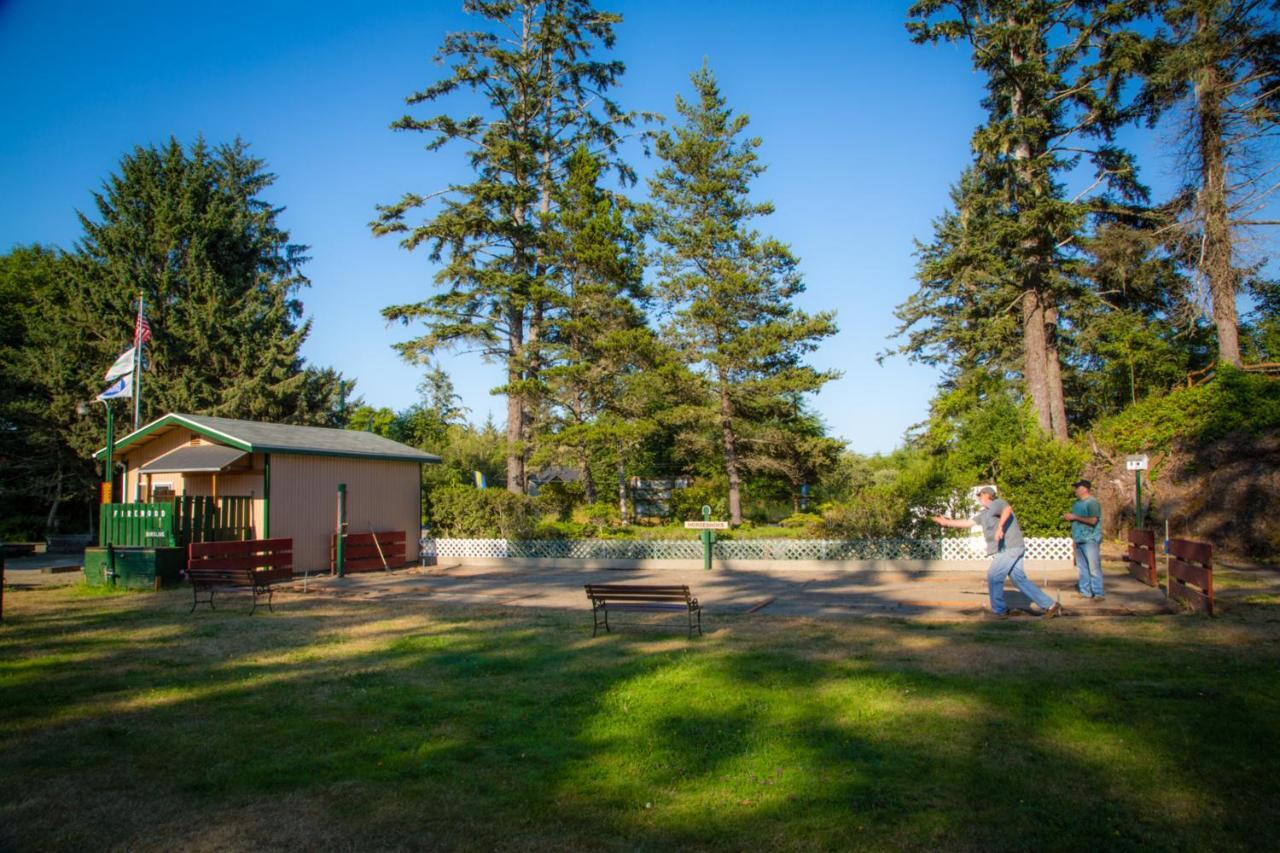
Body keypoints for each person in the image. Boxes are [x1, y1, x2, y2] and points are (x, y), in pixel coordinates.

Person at [933, 486, 1061, 619]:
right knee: (1019, 579)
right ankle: (1051, 605)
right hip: (1013, 548)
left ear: (988, 495)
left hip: (1009, 547)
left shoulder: (997, 503)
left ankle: (1000, 611)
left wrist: (1000, 527)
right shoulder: (984, 514)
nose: (979, 498)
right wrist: (946, 523)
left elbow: (1008, 510)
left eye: (980, 495)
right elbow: (967, 523)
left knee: (994, 576)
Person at [1062, 479, 1104, 600]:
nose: (1075, 490)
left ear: (1085, 489)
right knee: (1082, 568)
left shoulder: (1092, 503)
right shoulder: (1076, 504)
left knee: (1093, 567)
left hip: (1090, 538)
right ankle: (1085, 591)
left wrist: (1074, 517)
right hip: (1079, 538)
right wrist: (1074, 540)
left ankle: (1098, 593)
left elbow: (1093, 521)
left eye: (1077, 487)